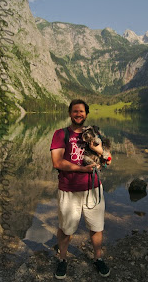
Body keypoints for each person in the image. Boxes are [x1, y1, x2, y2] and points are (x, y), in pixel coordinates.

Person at [50, 99, 112, 279]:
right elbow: (57, 162)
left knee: (96, 227)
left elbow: (108, 161)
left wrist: (100, 151)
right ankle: (62, 259)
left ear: (86, 114)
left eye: (82, 112)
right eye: (75, 111)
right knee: (66, 228)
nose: (79, 114)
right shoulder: (60, 134)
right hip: (69, 189)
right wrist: (82, 169)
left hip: (93, 189)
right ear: (70, 114)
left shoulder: (95, 134)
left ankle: (98, 258)